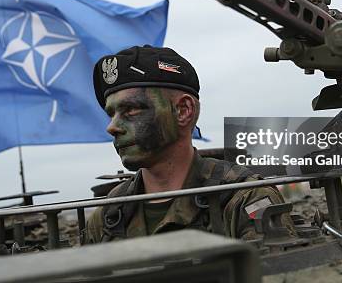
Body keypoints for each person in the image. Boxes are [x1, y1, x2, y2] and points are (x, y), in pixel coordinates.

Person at [85, 45, 293, 243]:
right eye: (111, 114)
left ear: (183, 111)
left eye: (131, 110)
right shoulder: (108, 216)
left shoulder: (243, 199)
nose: (112, 127)